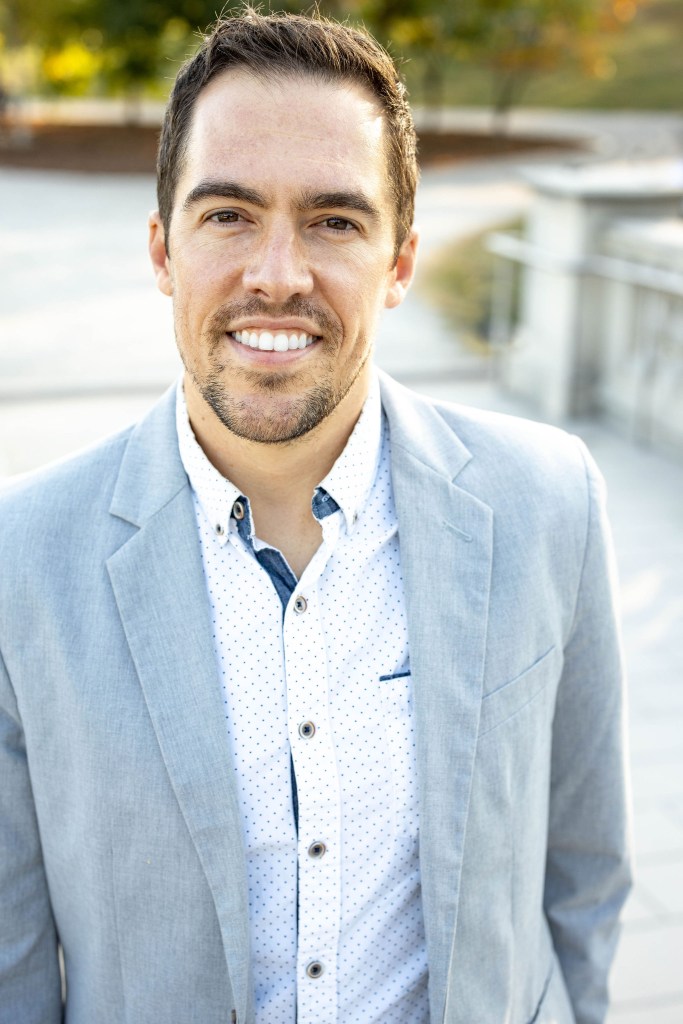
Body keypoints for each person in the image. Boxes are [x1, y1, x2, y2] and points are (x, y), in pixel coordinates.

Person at [0, 9, 631, 1024]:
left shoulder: (548, 501)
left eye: (334, 220)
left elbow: (584, 869)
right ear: (162, 251)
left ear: (399, 263)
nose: (277, 275)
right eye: (228, 215)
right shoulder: (21, 557)